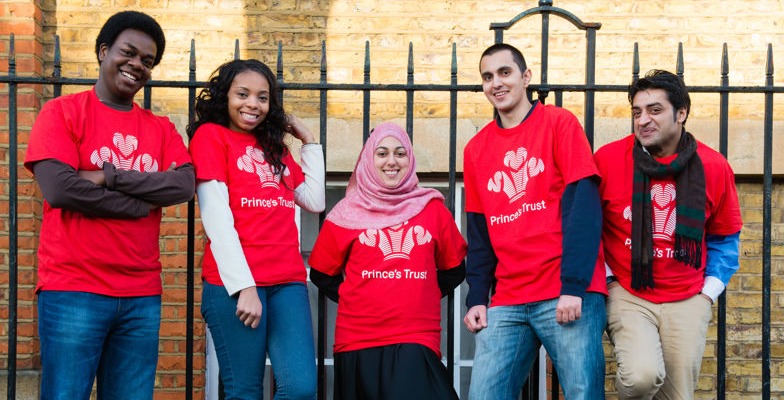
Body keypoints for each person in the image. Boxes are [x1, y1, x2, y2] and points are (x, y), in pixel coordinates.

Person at [23, 11, 195, 399]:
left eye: (147, 61)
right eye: (129, 53)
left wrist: (108, 175)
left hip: (141, 294)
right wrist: (139, 204)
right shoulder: (62, 112)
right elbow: (60, 189)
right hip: (73, 289)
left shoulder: (160, 128)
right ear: (103, 52)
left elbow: (183, 185)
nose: (137, 65)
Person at [462, 43, 607, 399]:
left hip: (566, 290)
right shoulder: (476, 149)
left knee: (582, 394)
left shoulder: (559, 123)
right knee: (484, 395)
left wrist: (573, 286)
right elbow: (480, 232)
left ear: (526, 77)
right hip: (509, 297)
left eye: (504, 72)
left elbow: (583, 210)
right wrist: (477, 297)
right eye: (487, 76)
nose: (496, 83)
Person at [595, 69, 742, 399]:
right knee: (641, 378)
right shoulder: (607, 160)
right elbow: (589, 228)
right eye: (637, 112)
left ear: (681, 113)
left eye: (654, 110)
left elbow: (725, 237)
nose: (643, 120)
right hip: (630, 292)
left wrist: (708, 294)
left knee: (678, 395)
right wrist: (609, 280)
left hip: (689, 296)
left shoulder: (714, 166)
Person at [188, 59, 324, 400]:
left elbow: (314, 199)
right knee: (244, 390)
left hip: (286, 281)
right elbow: (217, 218)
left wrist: (308, 140)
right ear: (225, 97)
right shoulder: (211, 137)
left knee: (300, 388)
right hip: (234, 284)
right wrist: (244, 287)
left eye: (262, 97)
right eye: (243, 94)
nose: (253, 104)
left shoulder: (273, 146)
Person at [308, 122, 466, 400]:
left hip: (415, 337)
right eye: (381, 153)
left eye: (400, 153)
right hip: (357, 339)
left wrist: (420, 292)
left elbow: (454, 270)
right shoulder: (346, 212)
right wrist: (359, 296)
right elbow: (322, 274)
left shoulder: (433, 209)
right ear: (369, 160)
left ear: (410, 159)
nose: (391, 161)